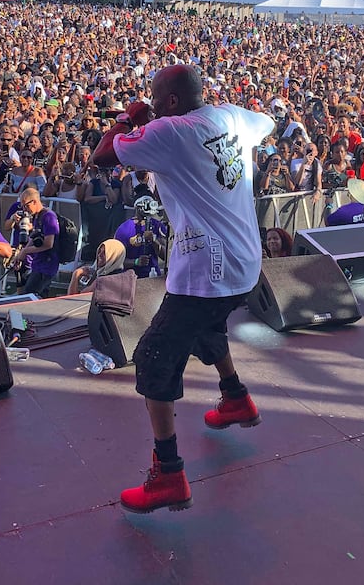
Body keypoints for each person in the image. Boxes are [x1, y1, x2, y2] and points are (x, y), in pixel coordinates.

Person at [93, 64, 274, 514]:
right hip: (246, 265)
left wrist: (127, 119)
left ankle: (168, 475)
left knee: (154, 356)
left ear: (171, 101)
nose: (151, 103)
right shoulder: (232, 117)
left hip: (204, 270)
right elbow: (267, 121)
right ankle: (236, 398)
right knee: (204, 325)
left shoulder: (171, 131)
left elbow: (101, 157)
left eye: (156, 97)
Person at [10, 187, 60, 298]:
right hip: (38, 264)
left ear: (34, 201)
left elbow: (49, 243)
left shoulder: (48, 216)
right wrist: (22, 254)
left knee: (30, 295)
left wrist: (26, 251)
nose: (25, 209)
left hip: (46, 266)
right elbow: (34, 237)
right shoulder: (38, 216)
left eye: (26, 205)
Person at [114, 195, 168, 277]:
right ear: (137, 208)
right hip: (130, 278)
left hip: (153, 275)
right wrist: (136, 262)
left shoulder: (158, 226)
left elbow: (166, 257)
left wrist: (154, 241)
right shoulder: (124, 229)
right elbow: (116, 261)